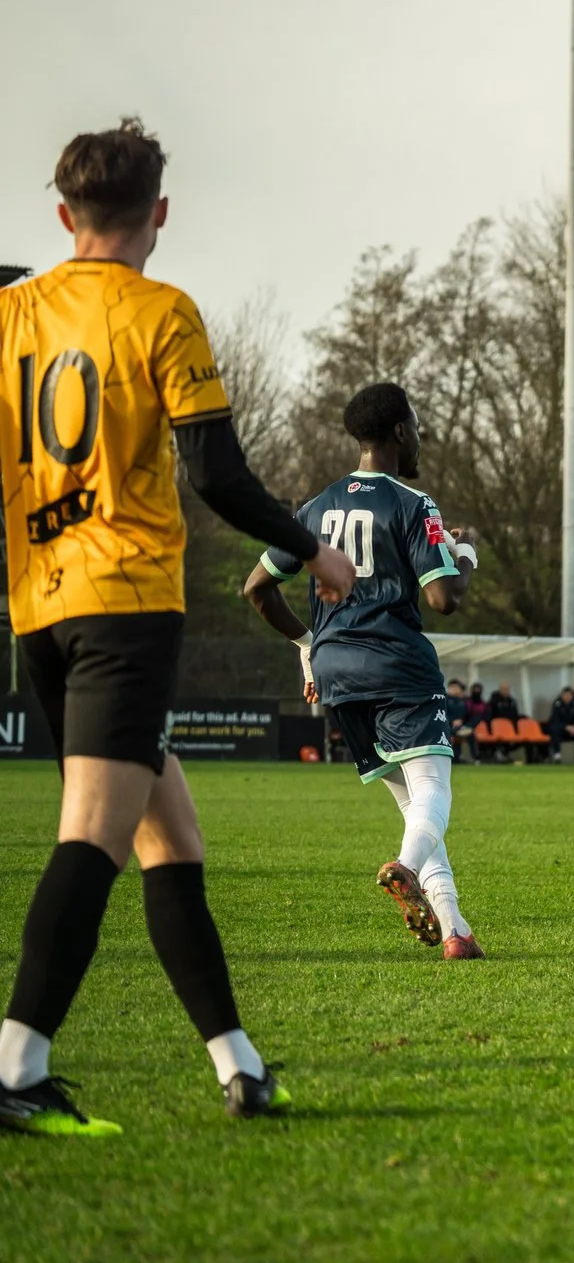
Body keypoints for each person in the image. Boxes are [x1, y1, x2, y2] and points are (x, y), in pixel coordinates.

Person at [1, 118, 355, 1136]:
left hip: (39, 607)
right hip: (124, 604)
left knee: (171, 838)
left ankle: (239, 1066)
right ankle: (16, 1062)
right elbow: (214, 473)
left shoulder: (12, 313)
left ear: (65, 214)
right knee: (95, 836)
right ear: (159, 211)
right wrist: (312, 547)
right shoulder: (163, 312)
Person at [241, 381, 484, 961]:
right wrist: (467, 555)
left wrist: (307, 644)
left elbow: (257, 587)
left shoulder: (313, 507)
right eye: (418, 425)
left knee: (413, 806)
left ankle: (456, 932)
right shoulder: (412, 505)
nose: (421, 436)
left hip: (337, 675)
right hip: (397, 664)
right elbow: (445, 598)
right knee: (432, 792)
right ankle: (403, 867)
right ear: (400, 431)